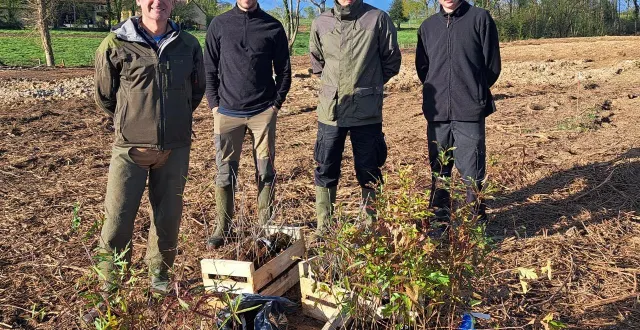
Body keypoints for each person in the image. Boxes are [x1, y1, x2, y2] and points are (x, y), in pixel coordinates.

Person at [92, 0, 205, 296]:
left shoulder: (189, 44)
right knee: (117, 220)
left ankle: (159, 281)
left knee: (167, 219)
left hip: (175, 148)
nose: (159, 2)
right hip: (130, 149)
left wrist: (173, 120)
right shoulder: (115, 43)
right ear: (140, 1)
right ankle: (111, 289)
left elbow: (196, 91)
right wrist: (134, 119)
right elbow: (105, 96)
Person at [204, 0, 291, 249]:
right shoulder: (219, 24)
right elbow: (209, 67)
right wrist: (214, 106)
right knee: (224, 173)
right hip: (227, 114)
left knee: (265, 172)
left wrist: (275, 105)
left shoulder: (272, 26)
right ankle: (224, 226)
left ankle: (265, 226)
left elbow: (284, 70)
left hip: (262, 113)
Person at [309, 0, 401, 236]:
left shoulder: (377, 18)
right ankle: (324, 226)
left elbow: (391, 61)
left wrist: (369, 87)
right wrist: (334, 86)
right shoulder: (321, 22)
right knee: (326, 165)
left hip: (366, 112)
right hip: (331, 111)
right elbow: (317, 63)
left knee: (369, 168)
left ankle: (371, 224)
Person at [415, 0, 501, 225]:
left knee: (472, 170)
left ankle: (475, 224)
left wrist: (473, 90)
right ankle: (439, 221)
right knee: (439, 168)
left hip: (469, 109)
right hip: (438, 112)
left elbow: (492, 65)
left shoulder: (480, 18)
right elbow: (423, 69)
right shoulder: (427, 27)